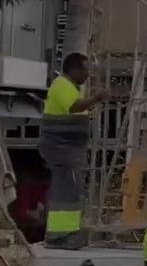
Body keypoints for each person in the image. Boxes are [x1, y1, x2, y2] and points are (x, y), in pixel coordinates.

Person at [39, 52, 107, 248]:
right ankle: (61, 235)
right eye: (86, 70)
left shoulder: (71, 88)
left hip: (67, 149)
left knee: (70, 189)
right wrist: (96, 98)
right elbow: (74, 107)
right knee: (67, 191)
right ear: (74, 69)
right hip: (61, 149)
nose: (88, 75)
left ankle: (64, 233)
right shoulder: (62, 85)